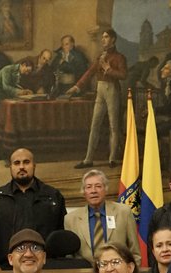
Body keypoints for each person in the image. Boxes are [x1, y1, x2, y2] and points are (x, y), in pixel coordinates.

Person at [0, 149, 68, 267]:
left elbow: (60, 234)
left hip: (45, 267)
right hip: (5, 268)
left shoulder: (53, 196)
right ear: (10, 167)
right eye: (17, 163)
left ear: (34, 166)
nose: (21, 167)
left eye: (26, 162)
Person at [70, 29, 127, 169]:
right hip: (100, 90)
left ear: (113, 39)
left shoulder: (119, 57)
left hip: (112, 89)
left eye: (106, 37)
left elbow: (124, 75)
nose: (103, 40)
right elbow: (90, 72)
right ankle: (88, 159)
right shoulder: (101, 56)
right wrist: (77, 86)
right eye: (102, 37)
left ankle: (112, 158)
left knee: (114, 125)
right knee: (95, 125)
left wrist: (109, 70)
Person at [64, 169, 141, 263]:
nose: (93, 191)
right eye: (88, 187)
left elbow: (135, 253)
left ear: (105, 189)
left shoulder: (123, 212)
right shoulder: (71, 219)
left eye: (98, 186)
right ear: (83, 192)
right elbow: (69, 257)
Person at [0, 58, 34, 157]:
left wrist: (24, 90)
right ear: (23, 65)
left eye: (29, 72)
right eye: (27, 70)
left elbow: (13, 85)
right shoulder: (8, 69)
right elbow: (6, 86)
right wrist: (20, 92)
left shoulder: (17, 73)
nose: (27, 73)